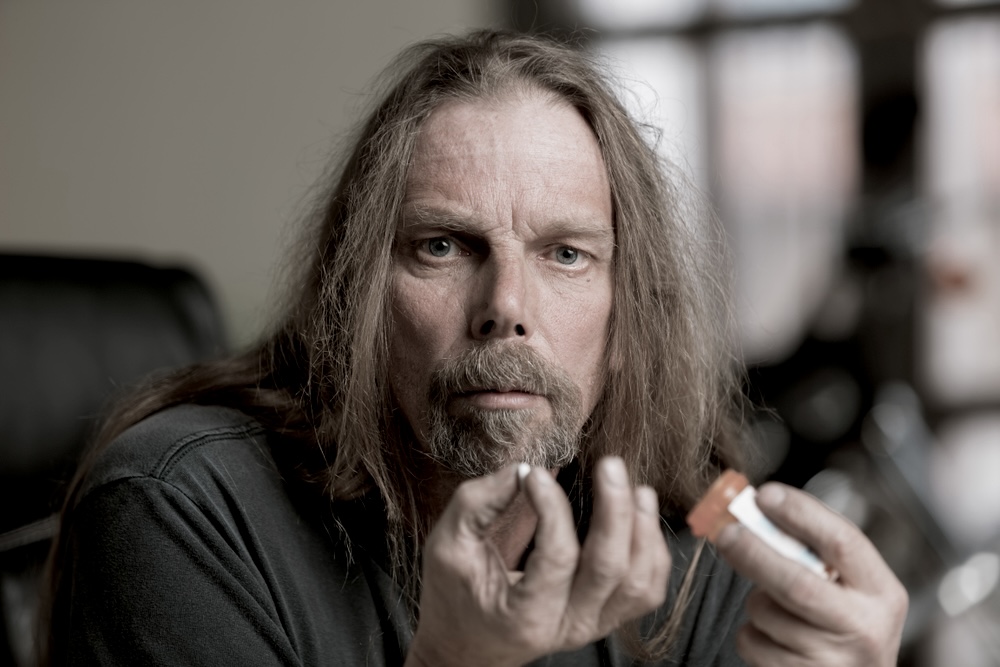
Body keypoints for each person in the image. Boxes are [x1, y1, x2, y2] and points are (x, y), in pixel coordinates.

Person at [44, 30, 908, 666]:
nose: (505, 308)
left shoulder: (683, 544)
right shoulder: (174, 510)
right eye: (443, 247)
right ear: (358, 299)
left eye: (567, 254)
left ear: (625, 319)